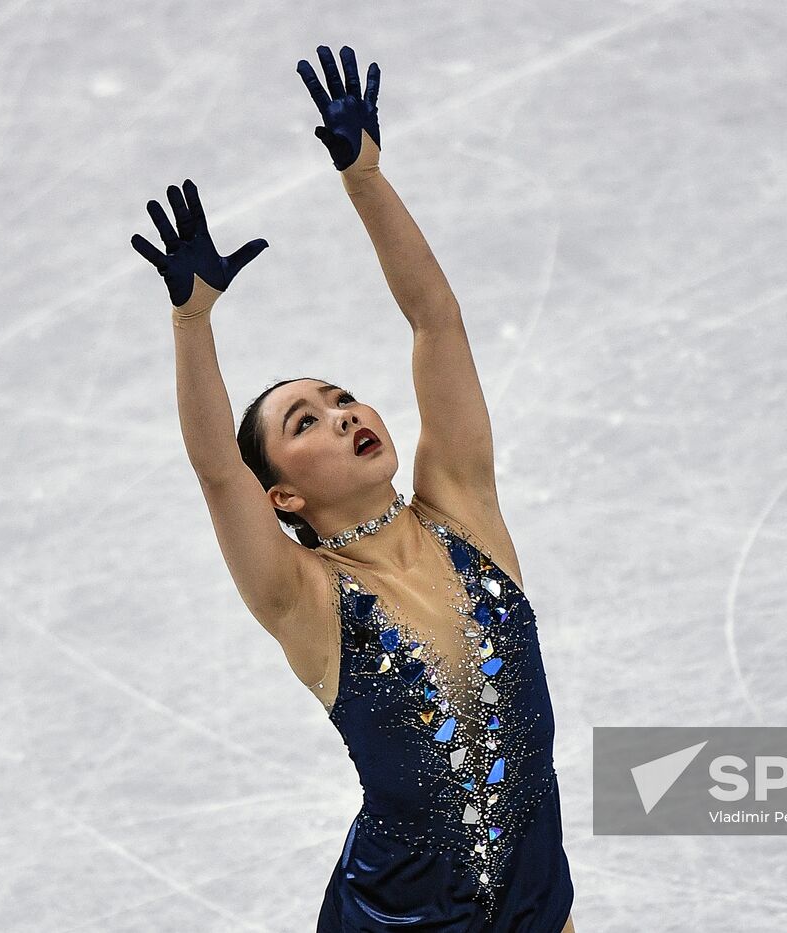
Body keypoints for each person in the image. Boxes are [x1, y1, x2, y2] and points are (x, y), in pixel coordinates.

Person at [130, 42, 577, 933]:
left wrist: (365, 177)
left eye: (339, 398)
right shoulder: (308, 600)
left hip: (535, 905)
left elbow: (434, 320)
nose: (341, 414)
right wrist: (191, 322)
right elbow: (218, 467)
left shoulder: (465, 513)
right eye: (304, 423)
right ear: (283, 497)